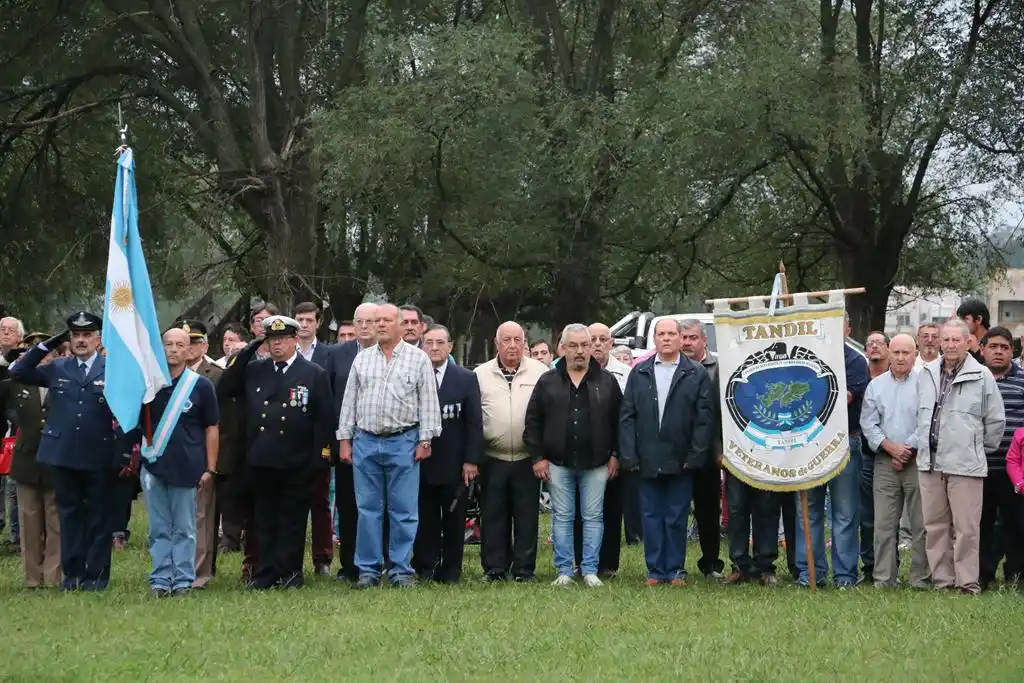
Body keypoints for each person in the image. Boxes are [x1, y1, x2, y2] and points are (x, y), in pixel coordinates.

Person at [218, 315, 334, 589]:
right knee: (263, 519)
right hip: (261, 458)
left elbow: (324, 418)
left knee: (292, 519)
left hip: (297, 460)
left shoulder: (312, 373)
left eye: (282, 339)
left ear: (295, 340)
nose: (277, 344)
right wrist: (247, 351)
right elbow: (226, 387)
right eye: (271, 339)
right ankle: (265, 571)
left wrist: (321, 458)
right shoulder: (256, 370)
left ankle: (291, 571)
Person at [9, 312, 121, 591]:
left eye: (87, 335)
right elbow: (19, 371)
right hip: (63, 454)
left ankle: (95, 576)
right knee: (69, 517)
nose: (81, 340)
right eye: (75, 335)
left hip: (99, 453)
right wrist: (50, 342)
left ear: (98, 339)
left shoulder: (113, 368)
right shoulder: (58, 367)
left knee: (98, 517)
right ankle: (72, 576)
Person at [337, 304, 442, 589]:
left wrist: (425, 439)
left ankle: (400, 569)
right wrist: (344, 440)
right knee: (368, 509)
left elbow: (429, 402)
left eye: (386, 320)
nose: (380, 325)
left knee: (404, 510)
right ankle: (368, 570)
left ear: (398, 324)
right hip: (365, 441)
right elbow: (350, 402)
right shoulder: (362, 360)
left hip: (404, 442)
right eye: (376, 320)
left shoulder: (418, 359)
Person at [525, 324, 621, 587]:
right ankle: (565, 570)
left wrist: (615, 455)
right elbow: (533, 421)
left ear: (591, 347)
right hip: (557, 462)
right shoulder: (547, 381)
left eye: (584, 345)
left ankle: (589, 569)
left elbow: (619, 422)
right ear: (563, 348)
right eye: (573, 346)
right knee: (562, 517)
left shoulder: (607, 381)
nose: (580, 351)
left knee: (593, 517)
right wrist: (538, 457)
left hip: (597, 462)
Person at [619, 318, 713, 586]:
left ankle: (675, 569)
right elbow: (627, 416)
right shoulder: (640, 372)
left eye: (672, 333)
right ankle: (655, 570)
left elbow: (703, 420)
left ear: (679, 337)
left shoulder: (695, 373)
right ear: (655, 339)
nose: (667, 338)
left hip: (681, 459)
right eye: (662, 334)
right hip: (646, 457)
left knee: (676, 516)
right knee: (650, 516)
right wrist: (629, 454)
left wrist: (696, 455)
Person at [916, 319, 1005, 594]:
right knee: (935, 526)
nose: (950, 345)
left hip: (965, 464)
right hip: (930, 462)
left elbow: (995, 422)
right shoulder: (927, 373)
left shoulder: (982, 375)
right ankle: (943, 581)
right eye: (946, 340)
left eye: (957, 340)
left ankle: (967, 582)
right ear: (940, 343)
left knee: (967, 528)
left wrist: (974, 446)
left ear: (968, 343)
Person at [135, 328, 219, 597]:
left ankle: (183, 579)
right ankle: (160, 578)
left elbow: (212, 428)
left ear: (189, 350)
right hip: (154, 464)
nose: (173, 349)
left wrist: (210, 467)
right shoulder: (150, 385)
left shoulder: (201, 386)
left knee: (185, 527)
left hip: (187, 465)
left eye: (179, 345)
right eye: (168, 344)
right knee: (159, 527)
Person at [796, 313, 869, 588]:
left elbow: (845, 397)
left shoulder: (854, 360)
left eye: (839, 323)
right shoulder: (802, 358)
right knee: (809, 511)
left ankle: (845, 576)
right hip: (808, 444)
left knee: (845, 513)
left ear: (848, 328)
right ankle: (809, 573)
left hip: (843, 444)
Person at [475, 321, 549, 582]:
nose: (512, 345)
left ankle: (524, 569)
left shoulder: (540, 372)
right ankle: (495, 568)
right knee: (493, 515)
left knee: (527, 516)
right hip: (492, 456)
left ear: (524, 343)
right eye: (506, 340)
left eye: (518, 340)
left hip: (528, 458)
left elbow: (545, 415)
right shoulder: (481, 374)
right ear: (497, 343)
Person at [412, 325, 483, 584]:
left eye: (439, 342)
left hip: (455, 463)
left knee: (454, 520)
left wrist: (471, 460)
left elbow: (474, 423)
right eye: (428, 342)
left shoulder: (465, 378)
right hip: (421, 461)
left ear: (450, 346)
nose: (434, 347)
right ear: (422, 346)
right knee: (425, 518)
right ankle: (425, 567)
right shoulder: (413, 376)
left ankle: (451, 570)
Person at [859, 334, 929, 589]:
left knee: (921, 524)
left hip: (918, 462)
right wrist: (891, 448)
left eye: (906, 353)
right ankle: (884, 579)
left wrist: (906, 450)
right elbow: (868, 423)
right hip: (884, 463)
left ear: (915, 353)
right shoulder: (875, 387)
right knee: (884, 525)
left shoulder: (926, 383)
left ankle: (921, 579)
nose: (900, 358)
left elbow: (928, 420)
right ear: (889, 352)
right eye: (896, 352)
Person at [0, 333, 62, 587]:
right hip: (27, 460)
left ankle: (54, 575)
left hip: (57, 460)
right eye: (36, 352)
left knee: (55, 521)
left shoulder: (63, 380)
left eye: (47, 353)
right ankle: (32, 578)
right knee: (29, 521)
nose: (42, 358)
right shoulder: (14, 383)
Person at [169, 319, 224, 589]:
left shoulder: (215, 374)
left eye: (193, 342)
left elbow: (219, 423)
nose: (187, 348)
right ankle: (173, 567)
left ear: (204, 345)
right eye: (181, 342)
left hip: (201, 455)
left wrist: (213, 463)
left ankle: (199, 572)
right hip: (169, 455)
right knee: (170, 517)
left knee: (201, 517)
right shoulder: (164, 373)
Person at [678, 318, 726, 580]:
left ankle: (711, 563)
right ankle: (675, 564)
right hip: (677, 452)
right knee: (676, 510)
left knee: (708, 510)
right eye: (683, 337)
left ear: (704, 340)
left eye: (692, 337)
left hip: (709, 452)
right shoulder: (672, 367)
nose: (687, 342)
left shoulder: (719, 367)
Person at [979, 326, 1024, 588]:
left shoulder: (1022, 381)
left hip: (1015, 473)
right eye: (993, 346)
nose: (998, 351)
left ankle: (1015, 575)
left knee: (1016, 525)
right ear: (982, 350)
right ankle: (983, 576)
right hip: (981, 467)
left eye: (1004, 347)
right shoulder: (974, 379)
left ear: (1012, 351)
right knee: (982, 525)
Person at [292, 302, 334, 577]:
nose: (305, 324)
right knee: (291, 503)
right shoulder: (283, 352)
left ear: (317, 323)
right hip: (289, 441)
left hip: (319, 439)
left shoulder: (330, 355)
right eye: (300, 320)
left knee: (320, 502)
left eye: (309, 320)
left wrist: (326, 447)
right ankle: (291, 557)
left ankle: (322, 558)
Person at [860, 330, 889, 581]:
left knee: (889, 515)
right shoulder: (860, 375)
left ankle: (891, 566)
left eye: (880, 343)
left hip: (895, 454)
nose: (875, 347)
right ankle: (870, 567)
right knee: (867, 514)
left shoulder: (900, 377)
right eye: (870, 344)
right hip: (865, 453)